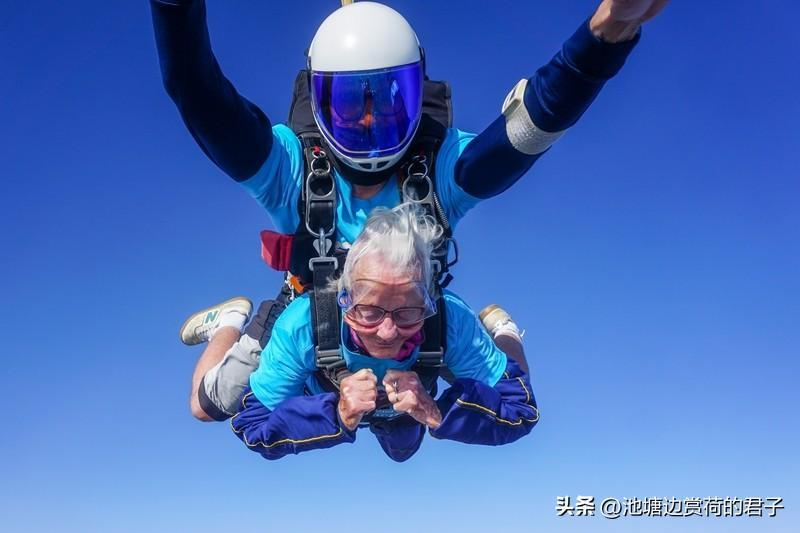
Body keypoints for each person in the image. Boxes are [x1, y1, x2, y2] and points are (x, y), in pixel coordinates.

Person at [150, 0, 669, 421]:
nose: (372, 124)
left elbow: (528, 130)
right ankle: (232, 318)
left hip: (410, 325)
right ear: (321, 101)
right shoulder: (293, 169)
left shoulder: (437, 166)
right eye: (351, 107)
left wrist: (606, 34)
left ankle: (502, 331)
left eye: (391, 101)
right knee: (208, 406)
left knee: (414, 435)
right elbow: (197, 93)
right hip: (309, 315)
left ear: (418, 95)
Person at [231, 204, 539, 461]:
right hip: (324, 391)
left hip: (410, 399)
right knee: (206, 405)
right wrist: (334, 414)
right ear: (344, 298)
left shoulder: (450, 319)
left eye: (408, 313)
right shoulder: (303, 323)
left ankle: (504, 331)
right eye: (369, 312)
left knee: (402, 451)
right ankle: (227, 323)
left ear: (428, 302)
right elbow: (253, 424)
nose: (388, 333)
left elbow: (519, 410)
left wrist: (435, 412)